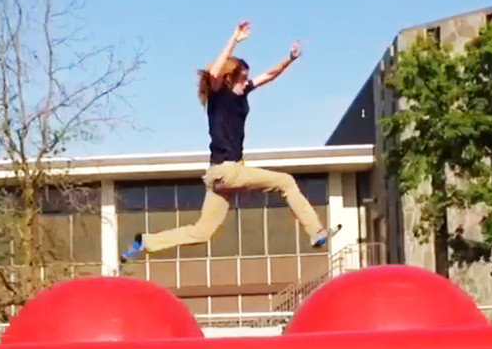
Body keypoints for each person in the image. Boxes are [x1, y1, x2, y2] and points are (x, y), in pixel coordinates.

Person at [121, 20, 340, 262]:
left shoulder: (243, 92)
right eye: (243, 77)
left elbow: (269, 75)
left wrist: (289, 59)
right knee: (285, 182)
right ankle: (315, 231)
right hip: (227, 171)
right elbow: (214, 72)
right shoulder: (219, 94)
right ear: (230, 78)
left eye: (247, 77)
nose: (247, 82)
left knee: (202, 231)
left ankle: (145, 242)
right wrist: (234, 39)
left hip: (219, 177)